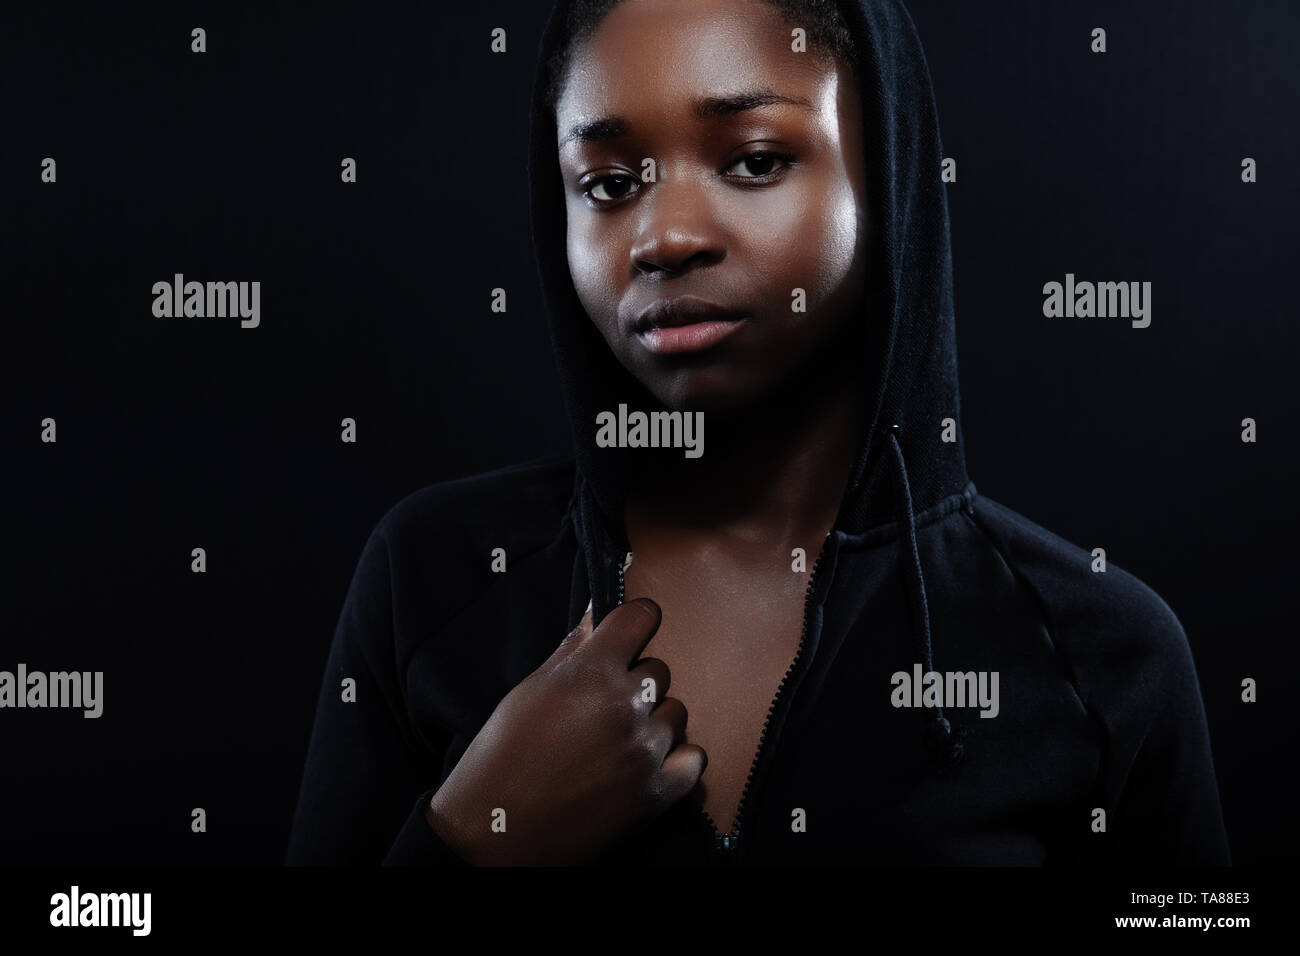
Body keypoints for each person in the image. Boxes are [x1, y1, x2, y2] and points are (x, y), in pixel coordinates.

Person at [286, 0, 1231, 866]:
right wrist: (469, 844)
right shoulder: (434, 576)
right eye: (610, 183)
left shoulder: (1103, 651)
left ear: (885, 170)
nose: (663, 235)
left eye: (753, 160)